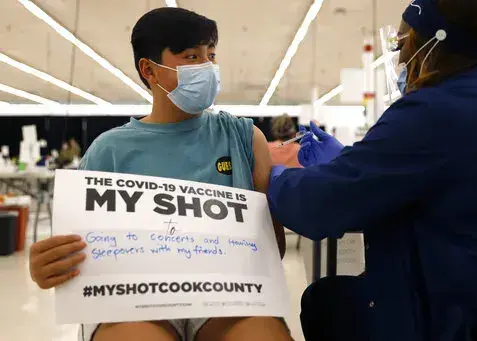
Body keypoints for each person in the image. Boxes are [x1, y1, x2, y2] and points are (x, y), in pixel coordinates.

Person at [28, 8, 290, 341]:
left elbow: (273, 247)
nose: (207, 68)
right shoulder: (109, 150)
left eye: (211, 55)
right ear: (149, 69)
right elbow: (77, 253)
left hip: (227, 296)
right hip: (132, 299)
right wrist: (49, 265)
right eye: (191, 56)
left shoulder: (242, 137)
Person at [267, 0, 477, 340]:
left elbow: (320, 207)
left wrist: (273, 175)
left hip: (453, 311)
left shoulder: (435, 109)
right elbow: (435, 174)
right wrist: (351, 164)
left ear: (431, 43)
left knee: (325, 303)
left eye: (402, 43)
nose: (400, 57)